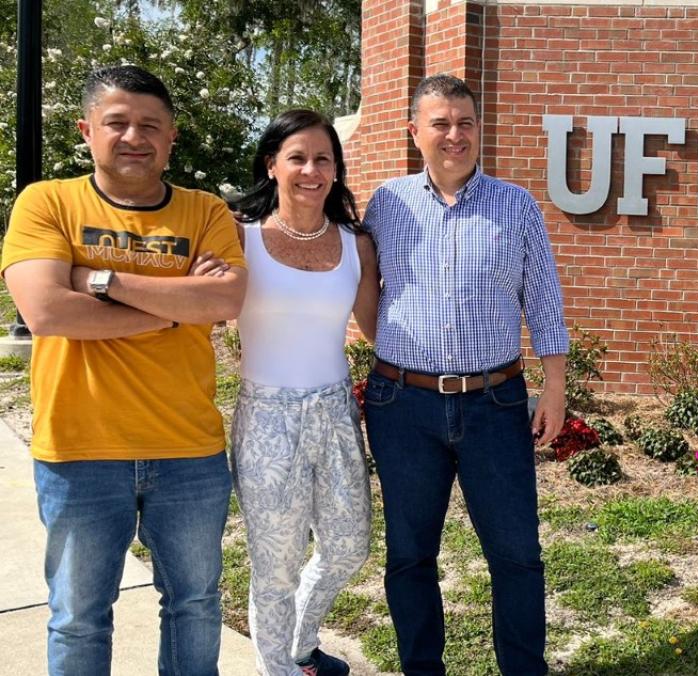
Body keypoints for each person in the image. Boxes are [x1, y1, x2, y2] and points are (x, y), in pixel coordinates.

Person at [1, 65, 247, 675]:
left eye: (150, 126)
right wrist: (174, 306)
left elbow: (223, 302)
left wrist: (100, 280)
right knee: (79, 617)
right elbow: (48, 310)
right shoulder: (48, 201)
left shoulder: (205, 211)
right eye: (117, 123)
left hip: (189, 450)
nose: (133, 136)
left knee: (194, 605)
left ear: (172, 137)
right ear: (87, 130)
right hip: (79, 451)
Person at [361, 74, 569, 676]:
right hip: (403, 406)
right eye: (441, 123)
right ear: (414, 132)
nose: (455, 135)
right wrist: (400, 350)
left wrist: (553, 387)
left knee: (517, 556)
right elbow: (369, 293)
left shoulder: (516, 204)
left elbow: (545, 301)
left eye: (466, 123)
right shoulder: (387, 203)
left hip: (495, 403)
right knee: (409, 556)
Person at [224, 109, 379, 676]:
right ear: (272, 165)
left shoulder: (354, 243)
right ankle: (280, 668)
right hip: (266, 416)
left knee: (347, 547)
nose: (311, 169)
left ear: (336, 170)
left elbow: (378, 330)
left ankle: (299, 643)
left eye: (323, 159)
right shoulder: (240, 237)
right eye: (297, 157)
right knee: (275, 564)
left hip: (335, 410)